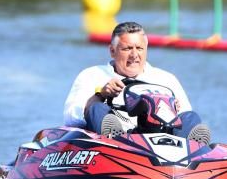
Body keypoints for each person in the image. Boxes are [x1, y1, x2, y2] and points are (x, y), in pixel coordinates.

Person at [63, 21, 212, 144]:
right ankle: (115, 140)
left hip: (159, 137)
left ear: (146, 49)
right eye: (127, 48)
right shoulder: (91, 74)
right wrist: (101, 95)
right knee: (97, 108)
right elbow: (71, 117)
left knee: (190, 116)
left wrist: (174, 110)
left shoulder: (166, 79)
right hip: (119, 139)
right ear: (112, 50)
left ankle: (194, 150)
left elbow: (184, 116)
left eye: (139, 48)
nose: (134, 55)